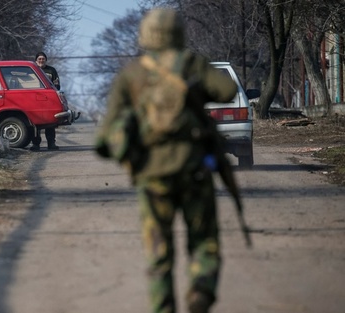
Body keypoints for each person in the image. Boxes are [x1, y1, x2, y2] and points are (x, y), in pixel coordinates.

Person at [95, 8, 238, 313]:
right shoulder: (193, 64)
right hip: (195, 170)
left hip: (152, 178)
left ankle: (163, 308)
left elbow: (103, 140)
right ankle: (201, 290)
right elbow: (228, 90)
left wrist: (128, 144)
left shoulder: (131, 75)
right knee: (203, 241)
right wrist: (195, 90)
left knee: (158, 254)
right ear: (180, 33)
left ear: (145, 35)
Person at [30, 51, 60, 151]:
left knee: (50, 123)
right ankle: (35, 144)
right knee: (34, 123)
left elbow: (57, 85)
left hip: (48, 100)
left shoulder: (52, 70)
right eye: (39, 59)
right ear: (36, 60)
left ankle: (51, 144)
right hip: (34, 100)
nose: (41, 61)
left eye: (43, 59)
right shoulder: (31, 70)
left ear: (46, 60)